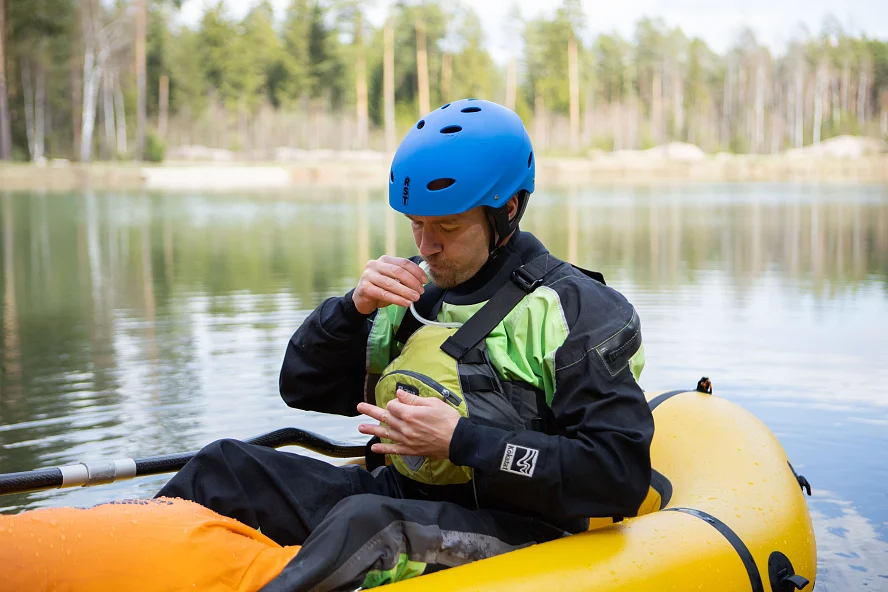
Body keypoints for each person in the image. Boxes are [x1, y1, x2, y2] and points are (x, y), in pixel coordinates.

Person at [157, 99, 654, 592]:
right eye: (416, 223)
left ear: (507, 209)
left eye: (448, 227)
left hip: (526, 531)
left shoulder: (579, 312)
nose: (425, 245)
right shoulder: (412, 294)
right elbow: (302, 387)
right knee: (224, 467)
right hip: (400, 497)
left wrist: (461, 440)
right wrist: (351, 311)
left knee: (370, 524)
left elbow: (618, 476)